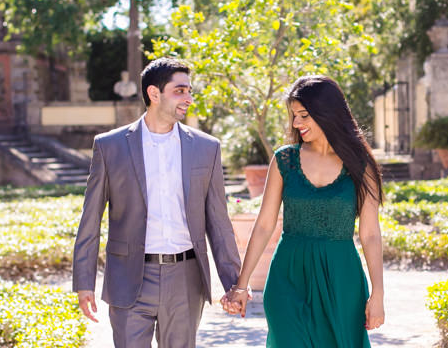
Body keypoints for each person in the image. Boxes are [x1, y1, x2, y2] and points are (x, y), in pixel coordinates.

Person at [72, 57, 241, 348]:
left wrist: (233, 283)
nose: (188, 98)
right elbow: (90, 219)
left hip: (185, 278)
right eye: (180, 91)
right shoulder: (110, 146)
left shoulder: (206, 148)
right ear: (154, 93)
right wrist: (84, 282)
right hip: (128, 278)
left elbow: (218, 221)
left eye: (189, 91)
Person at [221, 75, 385, 347]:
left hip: (341, 276)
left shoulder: (361, 165)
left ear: (327, 113)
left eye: (303, 115)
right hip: (288, 275)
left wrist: (377, 294)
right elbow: (264, 225)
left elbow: (370, 234)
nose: (296, 123)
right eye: (294, 116)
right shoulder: (285, 160)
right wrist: (241, 285)